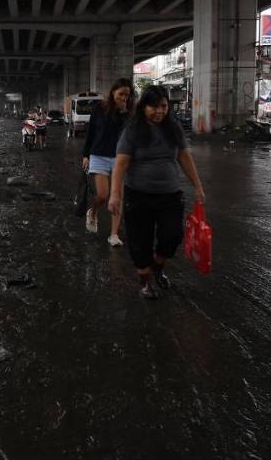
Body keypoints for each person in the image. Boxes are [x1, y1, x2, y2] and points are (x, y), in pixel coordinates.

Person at [108, 85, 205, 299]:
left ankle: (158, 267)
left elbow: (184, 157)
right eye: (154, 107)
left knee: (172, 236)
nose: (160, 111)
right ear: (143, 107)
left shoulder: (174, 128)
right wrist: (115, 194)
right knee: (139, 240)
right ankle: (145, 281)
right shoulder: (132, 131)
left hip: (170, 195)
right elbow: (121, 164)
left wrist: (197, 186)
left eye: (163, 106)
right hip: (138, 196)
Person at [82, 78, 134, 247]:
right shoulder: (99, 108)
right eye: (121, 94)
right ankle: (94, 211)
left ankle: (113, 235)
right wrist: (85, 155)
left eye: (127, 95)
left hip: (120, 157)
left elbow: (131, 135)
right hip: (98, 155)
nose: (124, 98)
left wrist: (124, 112)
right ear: (113, 92)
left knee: (117, 196)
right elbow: (91, 132)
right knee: (103, 195)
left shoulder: (129, 112)